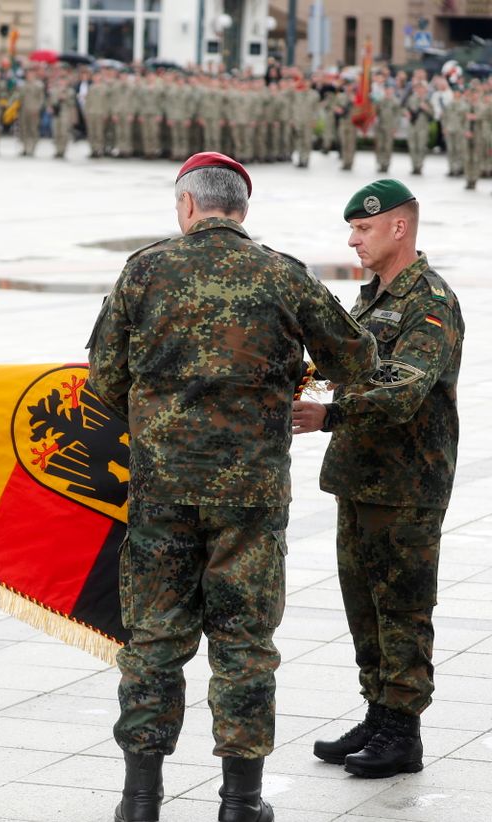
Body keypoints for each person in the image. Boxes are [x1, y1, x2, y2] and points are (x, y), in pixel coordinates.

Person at [86, 152, 377, 822]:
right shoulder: (283, 275)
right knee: (244, 640)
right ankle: (240, 802)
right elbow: (357, 358)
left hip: (162, 489)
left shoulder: (145, 270)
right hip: (250, 494)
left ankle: (140, 799)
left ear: (188, 206)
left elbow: (102, 382)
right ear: (240, 209)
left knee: (154, 638)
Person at [293, 181, 463, 779]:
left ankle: (403, 733)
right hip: (359, 478)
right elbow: (341, 361)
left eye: (363, 228)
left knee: (404, 608)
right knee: (363, 606)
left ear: (399, 228)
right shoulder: (370, 300)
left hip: (407, 486)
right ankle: (378, 712)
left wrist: (329, 415)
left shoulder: (430, 302)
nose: (353, 238)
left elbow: (404, 390)